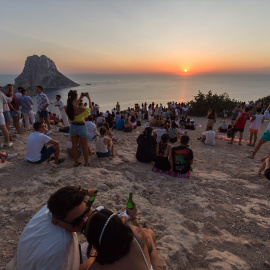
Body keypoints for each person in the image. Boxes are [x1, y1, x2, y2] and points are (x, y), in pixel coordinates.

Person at [17, 186, 97, 270]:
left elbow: (68, 195)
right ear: (56, 222)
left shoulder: (50, 208)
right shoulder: (60, 246)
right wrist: (93, 255)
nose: (84, 221)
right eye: (77, 220)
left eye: (85, 212)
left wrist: (86, 192)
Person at [80, 202, 164, 270]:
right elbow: (143, 237)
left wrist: (96, 248)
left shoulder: (91, 267)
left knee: (147, 234)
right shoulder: (135, 233)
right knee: (148, 233)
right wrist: (133, 217)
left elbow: (90, 260)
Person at [66, 90, 92, 167]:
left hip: (73, 127)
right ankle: (86, 163)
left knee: (74, 146)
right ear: (75, 97)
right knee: (84, 146)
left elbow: (73, 105)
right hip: (81, 127)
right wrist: (89, 98)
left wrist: (80, 97)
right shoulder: (80, 109)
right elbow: (90, 109)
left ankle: (76, 162)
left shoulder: (67, 108)